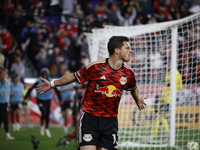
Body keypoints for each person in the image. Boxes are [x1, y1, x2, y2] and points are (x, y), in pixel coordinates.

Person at [36, 36, 147, 150]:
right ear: (117, 50)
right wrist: (53, 84)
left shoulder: (129, 73)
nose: (131, 51)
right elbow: (74, 76)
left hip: (110, 120)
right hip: (90, 117)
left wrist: (137, 99)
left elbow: (133, 87)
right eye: (127, 48)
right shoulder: (96, 67)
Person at [24, 67, 62, 138]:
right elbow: (31, 89)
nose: (44, 74)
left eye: (46, 73)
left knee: (47, 115)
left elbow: (57, 91)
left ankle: (46, 128)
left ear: (48, 74)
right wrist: (27, 96)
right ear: (41, 74)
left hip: (48, 100)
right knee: (44, 113)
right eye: (43, 73)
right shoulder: (38, 81)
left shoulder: (51, 81)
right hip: (40, 99)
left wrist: (60, 99)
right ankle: (42, 126)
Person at [150, 69, 183, 142]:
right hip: (164, 98)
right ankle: (165, 134)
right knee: (159, 118)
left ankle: (155, 136)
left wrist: (168, 92)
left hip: (167, 100)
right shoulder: (169, 73)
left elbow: (177, 85)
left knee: (159, 117)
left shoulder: (176, 74)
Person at [0, 67, 15, 140]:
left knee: (5, 118)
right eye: (1, 74)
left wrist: (8, 103)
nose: (3, 75)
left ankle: (8, 134)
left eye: (4, 74)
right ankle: (7, 134)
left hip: (4, 103)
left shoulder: (7, 82)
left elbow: (7, 93)